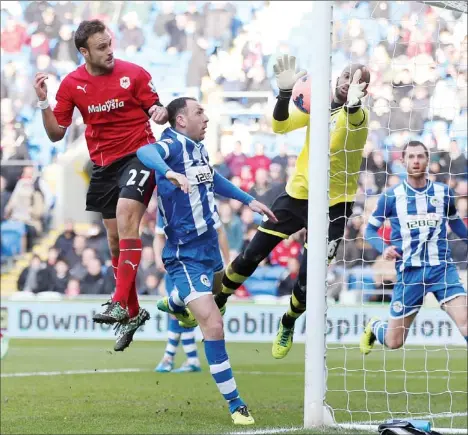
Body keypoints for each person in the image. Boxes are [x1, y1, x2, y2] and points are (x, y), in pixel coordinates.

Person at [214, 54, 371, 359]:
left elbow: (334, 144)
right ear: (337, 78)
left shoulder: (360, 118)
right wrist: (285, 93)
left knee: (308, 279)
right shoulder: (320, 103)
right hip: (299, 192)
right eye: (346, 78)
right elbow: (279, 126)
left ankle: (287, 322)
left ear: (365, 90)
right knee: (253, 252)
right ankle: (219, 299)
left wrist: (351, 105)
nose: (348, 85)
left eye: (358, 83)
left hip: (335, 205)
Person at [136, 97, 277, 425]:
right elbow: (145, 153)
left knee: (218, 296)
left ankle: (175, 301)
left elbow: (212, 178)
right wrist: (168, 172)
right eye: (200, 112)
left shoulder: (198, 150)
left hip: (210, 249)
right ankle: (236, 404)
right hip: (184, 255)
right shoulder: (170, 144)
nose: (207, 117)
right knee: (213, 323)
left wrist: (249, 200)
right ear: (181, 120)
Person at [33, 19, 168, 351]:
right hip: (104, 165)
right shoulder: (71, 85)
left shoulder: (134, 73)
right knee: (113, 242)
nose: (110, 51)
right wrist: (43, 103)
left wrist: (160, 112)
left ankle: (119, 300)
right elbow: (55, 134)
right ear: (84, 52)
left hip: (139, 155)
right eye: (102, 47)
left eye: (110, 43)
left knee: (126, 216)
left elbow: (155, 107)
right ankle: (133, 312)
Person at [361, 141, 467, 352]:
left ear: (428, 160)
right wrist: (384, 248)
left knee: (466, 325)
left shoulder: (443, 192)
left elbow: (455, 222)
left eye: (420, 156)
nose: (416, 161)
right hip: (410, 273)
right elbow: (369, 231)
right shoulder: (391, 197)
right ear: (403, 161)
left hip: (442, 270)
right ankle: (375, 326)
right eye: (411, 157)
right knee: (394, 342)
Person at [153, 211, 230, 373]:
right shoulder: (164, 205)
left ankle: (174, 357)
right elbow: (159, 236)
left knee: (185, 309)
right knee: (177, 311)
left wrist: (227, 261)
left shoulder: (202, 201)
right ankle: (184, 358)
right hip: (174, 264)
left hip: (196, 264)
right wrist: (159, 259)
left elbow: (220, 231)